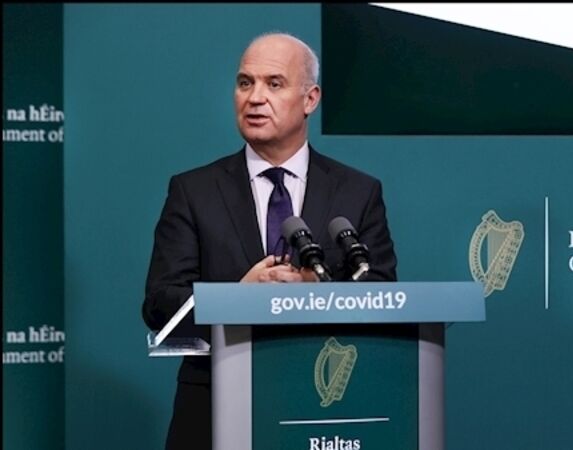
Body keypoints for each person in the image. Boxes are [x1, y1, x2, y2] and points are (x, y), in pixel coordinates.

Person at [141, 32, 397, 450]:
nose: (255, 98)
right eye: (245, 83)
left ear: (310, 99)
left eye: (274, 84)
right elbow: (159, 303)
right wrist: (238, 298)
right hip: (215, 410)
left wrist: (315, 289)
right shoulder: (193, 191)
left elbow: (384, 294)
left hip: (326, 412)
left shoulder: (358, 192)